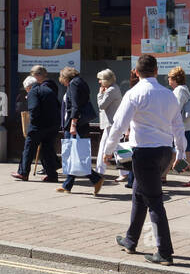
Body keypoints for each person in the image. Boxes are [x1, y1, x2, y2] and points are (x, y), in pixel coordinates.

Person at [100, 54, 186, 266]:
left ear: (136, 73)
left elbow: (120, 125)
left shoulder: (134, 93)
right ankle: (130, 240)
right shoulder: (169, 95)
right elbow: (178, 126)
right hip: (165, 151)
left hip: (145, 152)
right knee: (139, 194)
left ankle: (164, 252)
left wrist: (109, 150)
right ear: (156, 71)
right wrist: (181, 153)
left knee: (155, 201)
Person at [57, 66, 103, 194]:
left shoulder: (74, 84)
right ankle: (67, 185)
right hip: (78, 124)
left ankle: (96, 178)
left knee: (77, 154)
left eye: (62, 80)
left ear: (66, 77)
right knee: (73, 155)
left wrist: (73, 124)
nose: (63, 83)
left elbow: (75, 106)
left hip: (75, 125)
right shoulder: (80, 82)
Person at [12, 66, 60, 182]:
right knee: (47, 149)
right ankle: (52, 175)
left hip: (39, 126)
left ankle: (23, 173)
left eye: (26, 89)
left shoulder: (34, 91)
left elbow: (34, 109)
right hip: (53, 125)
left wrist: (32, 125)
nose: (27, 91)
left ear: (28, 87)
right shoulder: (47, 90)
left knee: (29, 148)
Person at [168, 67, 190, 187]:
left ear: (175, 79)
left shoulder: (179, 91)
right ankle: (162, 175)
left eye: (169, 78)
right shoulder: (184, 89)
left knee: (187, 152)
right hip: (187, 126)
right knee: (175, 152)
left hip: (183, 127)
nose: (168, 80)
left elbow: (175, 109)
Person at [96, 70, 123, 181]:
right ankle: (124, 171)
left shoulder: (111, 90)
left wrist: (100, 94)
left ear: (106, 80)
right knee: (115, 146)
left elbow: (101, 105)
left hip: (111, 123)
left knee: (108, 146)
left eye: (101, 79)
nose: (99, 82)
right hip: (111, 123)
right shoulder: (113, 88)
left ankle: (100, 171)